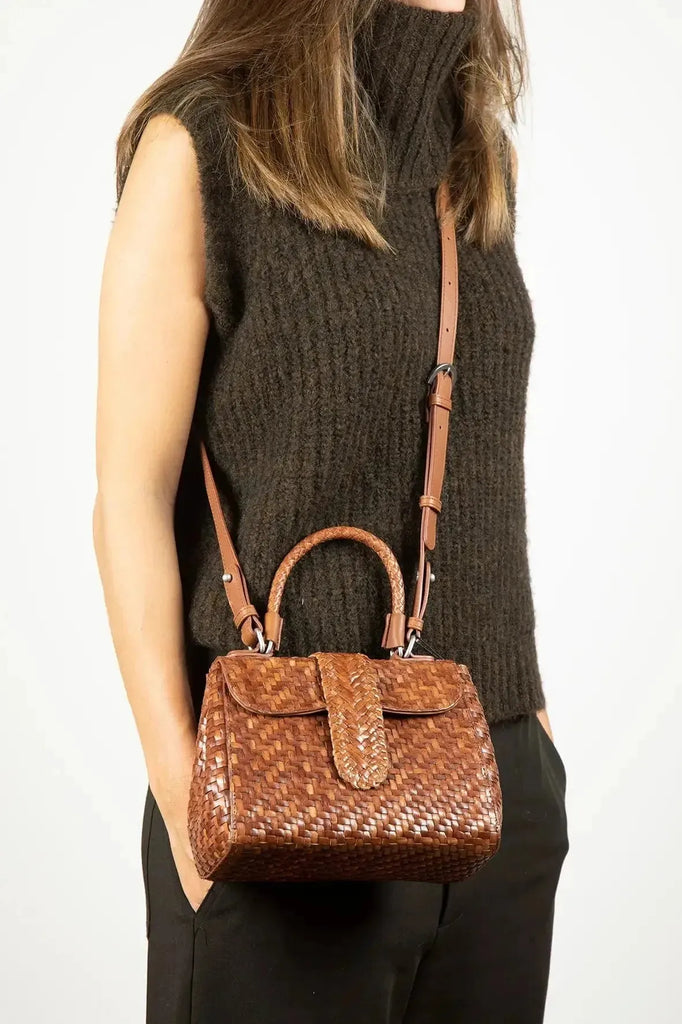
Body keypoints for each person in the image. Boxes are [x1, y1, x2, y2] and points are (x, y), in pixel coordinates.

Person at [93, 0, 569, 1020]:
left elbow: (480, 463)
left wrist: (531, 750)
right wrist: (186, 805)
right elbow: (130, 492)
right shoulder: (203, 143)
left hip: (493, 798)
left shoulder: (472, 155)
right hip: (277, 798)